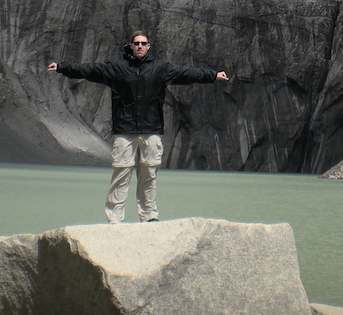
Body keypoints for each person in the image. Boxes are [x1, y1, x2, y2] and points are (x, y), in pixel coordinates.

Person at [47, 31, 228, 223]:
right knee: (121, 173)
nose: (140, 46)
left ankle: (149, 217)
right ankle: (115, 219)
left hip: (151, 130)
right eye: (136, 43)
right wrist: (61, 67)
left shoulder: (160, 68)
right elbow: (89, 70)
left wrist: (213, 75)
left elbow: (186, 73)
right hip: (125, 131)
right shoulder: (117, 68)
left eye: (143, 43)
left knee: (148, 175)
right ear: (131, 46)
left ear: (149, 46)